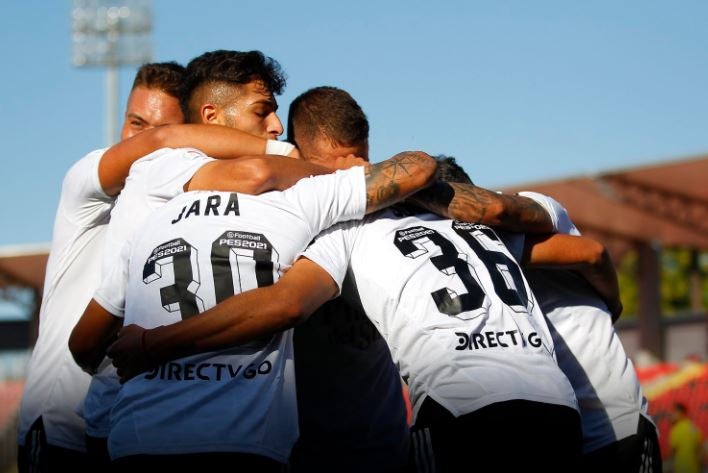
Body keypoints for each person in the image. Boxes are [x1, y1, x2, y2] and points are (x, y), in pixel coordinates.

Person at [78, 50, 329, 468]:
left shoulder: (268, 197)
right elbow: (255, 173)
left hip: (230, 432)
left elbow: (84, 342)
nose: (276, 126)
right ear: (212, 117)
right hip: (134, 424)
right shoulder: (162, 168)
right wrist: (299, 159)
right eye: (262, 111)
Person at [16, 61, 188, 473]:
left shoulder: (186, 213)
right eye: (135, 123)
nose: (144, 140)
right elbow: (158, 142)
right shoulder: (87, 187)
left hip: (129, 433)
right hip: (59, 429)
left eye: (161, 128)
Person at [286, 87, 411, 473]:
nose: (352, 180)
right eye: (332, 171)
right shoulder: (279, 219)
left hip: (386, 442)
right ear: (297, 156)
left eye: (361, 164)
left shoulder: (393, 209)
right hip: (304, 448)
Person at [669, 402, 703, 473]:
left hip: (681, 468)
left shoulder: (676, 429)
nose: (671, 415)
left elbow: (673, 452)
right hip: (695, 469)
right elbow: (699, 450)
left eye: (673, 412)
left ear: (680, 413)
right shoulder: (693, 427)